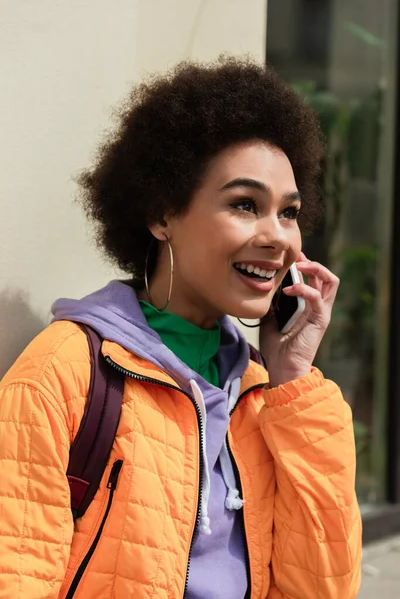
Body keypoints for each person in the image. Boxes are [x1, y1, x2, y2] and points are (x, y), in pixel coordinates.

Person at [0, 57, 362, 598]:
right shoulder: (64, 376)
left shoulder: (268, 393)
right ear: (162, 215)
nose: (280, 238)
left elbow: (324, 588)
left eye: (289, 213)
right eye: (245, 204)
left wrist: (294, 380)